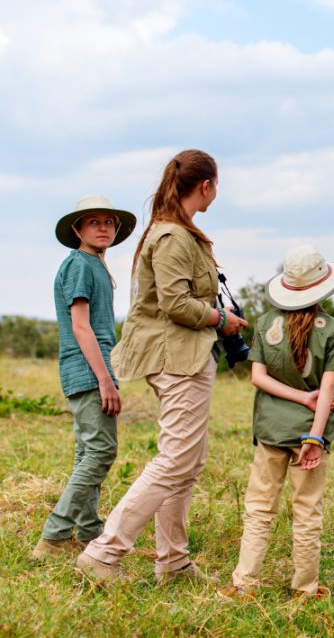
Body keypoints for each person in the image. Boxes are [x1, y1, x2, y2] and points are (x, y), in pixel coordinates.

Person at [76, 149, 247, 583]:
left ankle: (173, 562)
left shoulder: (178, 231)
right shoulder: (172, 235)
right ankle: (104, 553)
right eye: (216, 185)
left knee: (188, 461)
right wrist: (221, 319)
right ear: (206, 186)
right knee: (175, 461)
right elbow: (175, 304)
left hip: (183, 355)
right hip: (177, 357)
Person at [219, 244, 334, 601]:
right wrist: (315, 437)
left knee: (259, 507)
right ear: (323, 285)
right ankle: (305, 588)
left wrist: (294, 397)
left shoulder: (265, 323)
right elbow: (327, 391)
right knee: (307, 510)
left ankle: (244, 583)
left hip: (270, 431)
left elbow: (257, 378)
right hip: (310, 434)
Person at [32, 195, 137, 560]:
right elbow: (81, 327)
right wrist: (106, 380)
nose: (103, 227)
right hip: (89, 371)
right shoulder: (79, 264)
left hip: (89, 371)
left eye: (108, 221)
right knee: (101, 451)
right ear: (78, 229)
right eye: (93, 222)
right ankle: (54, 534)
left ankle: (90, 529)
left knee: (86, 452)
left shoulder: (93, 264)